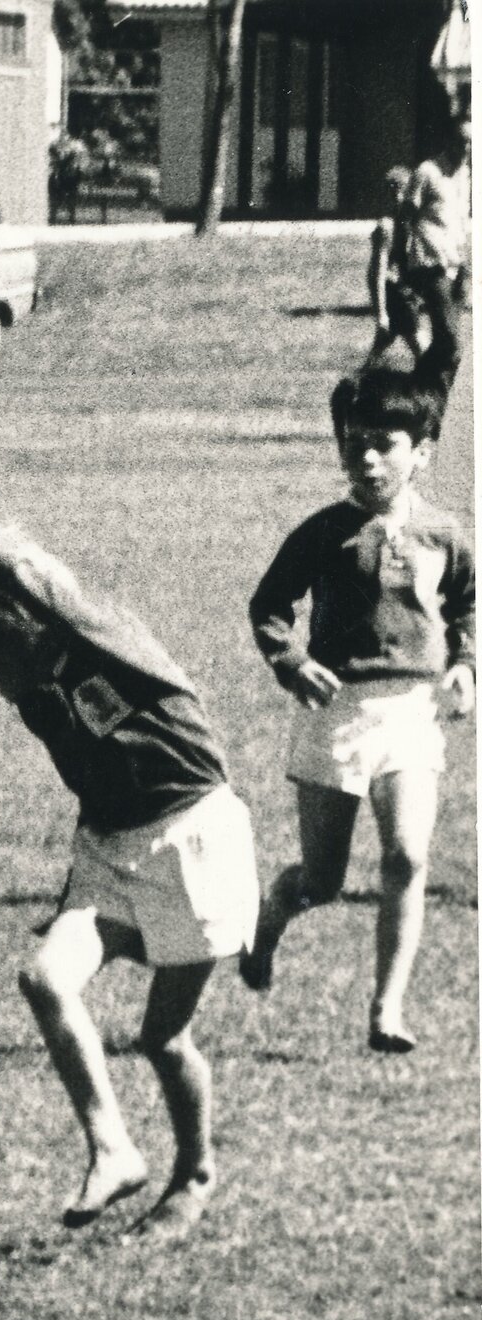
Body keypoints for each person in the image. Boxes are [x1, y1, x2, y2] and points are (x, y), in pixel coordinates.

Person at [0, 489, 259, 1241]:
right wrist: (76, 887)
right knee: (44, 978)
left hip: (193, 833)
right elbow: (93, 780)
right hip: (112, 846)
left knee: (164, 1039)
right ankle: (113, 1148)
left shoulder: (99, 640)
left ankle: (196, 1172)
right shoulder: (34, 697)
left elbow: (58, 593)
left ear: (8, 625)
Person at [242, 367, 475, 1051]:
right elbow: (269, 607)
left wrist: (465, 665)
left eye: (384, 443)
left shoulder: (446, 533)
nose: (366, 458)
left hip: (411, 712)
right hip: (336, 711)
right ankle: (267, 923)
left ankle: (387, 1008)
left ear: (422, 451)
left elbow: (468, 605)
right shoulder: (322, 533)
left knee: (407, 855)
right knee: (322, 881)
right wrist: (291, 661)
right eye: (354, 444)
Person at [398, 110, 471, 399]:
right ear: (448, 140)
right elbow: (405, 217)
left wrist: (466, 266)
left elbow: (461, 222)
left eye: (472, 143)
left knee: (446, 344)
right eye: (461, 142)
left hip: (456, 264)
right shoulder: (427, 172)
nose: (467, 149)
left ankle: (416, 393)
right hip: (430, 264)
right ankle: (431, 396)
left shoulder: (466, 174)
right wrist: (400, 262)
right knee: (453, 344)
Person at [367, 166, 418, 361]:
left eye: (402, 191)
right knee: (422, 350)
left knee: (380, 347)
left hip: (403, 290)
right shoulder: (386, 227)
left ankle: (354, 386)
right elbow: (378, 273)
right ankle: (434, 389)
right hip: (394, 292)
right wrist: (381, 313)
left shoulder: (407, 222)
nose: (398, 197)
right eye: (393, 192)